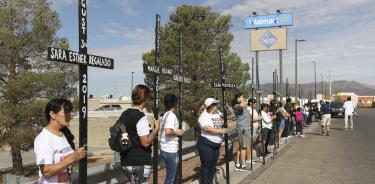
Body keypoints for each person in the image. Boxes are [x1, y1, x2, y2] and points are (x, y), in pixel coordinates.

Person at [34, 98, 87, 184]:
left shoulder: (63, 134)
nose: (69, 116)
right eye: (66, 112)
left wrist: (77, 157)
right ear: (52, 114)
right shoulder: (44, 139)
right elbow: (46, 172)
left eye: (69, 112)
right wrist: (73, 158)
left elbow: (66, 165)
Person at [121, 84, 160, 184]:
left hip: (126, 161)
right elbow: (146, 143)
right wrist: (156, 129)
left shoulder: (124, 114)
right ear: (145, 99)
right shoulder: (140, 117)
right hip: (139, 162)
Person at [197, 97, 229, 184]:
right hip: (206, 144)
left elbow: (225, 117)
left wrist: (227, 110)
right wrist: (221, 131)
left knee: (212, 166)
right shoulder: (203, 116)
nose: (217, 106)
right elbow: (207, 128)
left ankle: (210, 182)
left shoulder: (217, 113)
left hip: (217, 144)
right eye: (215, 104)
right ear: (210, 106)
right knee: (206, 166)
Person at [159, 94, 184, 184]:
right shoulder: (171, 115)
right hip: (170, 150)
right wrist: (177, 132)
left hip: (164, 148)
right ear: (175, 103)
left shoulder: (165, 114)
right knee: (171, 178)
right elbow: (168, 131)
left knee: (172, 176)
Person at [232, 93, 251, 171]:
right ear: (238, 98)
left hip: (245, 129)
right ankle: (243, 165)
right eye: (242, 97)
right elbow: (240, 108)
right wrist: (242, 102)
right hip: (242, 129)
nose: (244, 98)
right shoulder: (237, 106)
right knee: (244, 147)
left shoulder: (244, 107)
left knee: (241, 147)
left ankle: (237, 164)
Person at [246, 98, 262, 163]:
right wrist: (259, 118)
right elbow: (249, 120)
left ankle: (250, 157)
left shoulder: (253, 110)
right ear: (250, 103)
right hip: (251, 129)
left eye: (255, 102)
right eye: (254, 102)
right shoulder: (249, 110)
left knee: (251, 144)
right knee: (249, 144)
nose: (255, 103)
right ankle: (248, 159)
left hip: (255, 129)